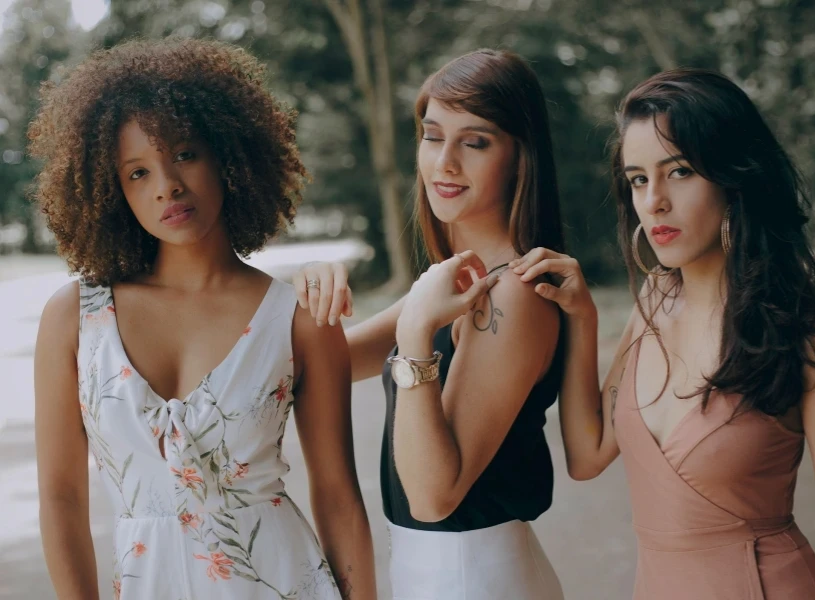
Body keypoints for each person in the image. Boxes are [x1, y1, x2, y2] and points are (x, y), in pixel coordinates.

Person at [509, 68, 815, 599]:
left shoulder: (809, 334)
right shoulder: (650, 307)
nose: (654, 199)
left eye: (678, 171)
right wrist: (582, 320)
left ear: (733, 177)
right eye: (638, 179)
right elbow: (587, 456)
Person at [30, 38, 375, 600]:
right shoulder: (76, 318)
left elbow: (338, 497)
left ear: (227, 155)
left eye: (184, 153)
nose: (167, 184)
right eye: (137, 173)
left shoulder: (298, 318)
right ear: (111, 191)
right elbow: (62, 499)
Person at [295, 49, 566, 599]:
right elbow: (325, 363)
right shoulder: (464, 281)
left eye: (475, 141)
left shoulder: (514, 292)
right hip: (434, 575)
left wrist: (416, 337)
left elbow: (433, 496)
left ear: (520, 156)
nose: (445, 161)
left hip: (477, 577)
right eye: (433, 134)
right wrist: (312, 291)